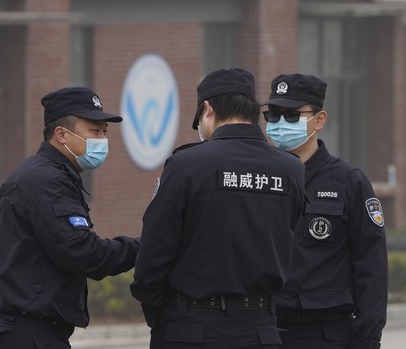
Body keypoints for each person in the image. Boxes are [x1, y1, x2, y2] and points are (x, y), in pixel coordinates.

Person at [131, 68, 306, 349]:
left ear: (208, 110)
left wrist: (160, 314)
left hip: (190, 327)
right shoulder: (291, 169)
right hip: (260, 329)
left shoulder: (187, 165)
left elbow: (154, 252)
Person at [0, 87, 140, 349]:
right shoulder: (48, 182)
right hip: (27, 335)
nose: (102, 140)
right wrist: (145, 246)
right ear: (61, 135)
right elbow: (83, 252)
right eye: (94, 131)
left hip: (21, 333)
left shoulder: (42, 174)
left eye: (105, 132)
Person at [262, 74, 387, 349]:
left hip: (324, 333)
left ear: (319, 120)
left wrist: (367, 339)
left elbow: (371, 266)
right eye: (273, 115)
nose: (280, 123)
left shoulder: (348, 182)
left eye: (292, 115)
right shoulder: (259, 179)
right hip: (263, 331)